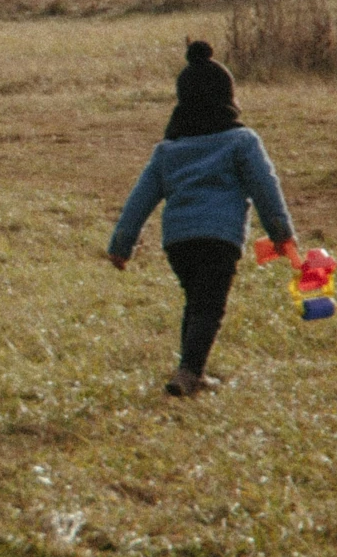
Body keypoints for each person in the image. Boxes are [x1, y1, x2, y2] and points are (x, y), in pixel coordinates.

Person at [106, 41, 297, 397]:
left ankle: (192, 371)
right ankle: (188, 372)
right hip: (219, 238)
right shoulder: (241, 141)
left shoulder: (168, 150)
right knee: (209, 306)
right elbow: (265, 188)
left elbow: (139, 199)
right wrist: (281, 235)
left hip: (178, 242)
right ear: (229, 98)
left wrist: (121, 246)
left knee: (196, 302)